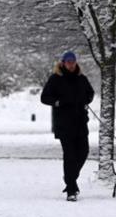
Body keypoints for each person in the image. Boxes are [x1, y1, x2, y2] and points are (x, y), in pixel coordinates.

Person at [40, 51, 94, 202]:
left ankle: (69, 178)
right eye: (68, 61)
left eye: (73, 61)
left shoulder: (81, 78)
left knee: (83, 152)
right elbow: (44, 97)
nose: (71, 64)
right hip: (64, 124)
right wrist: (57, 102)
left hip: (81, 123)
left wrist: (86, 100)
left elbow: (90, 93)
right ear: (63, 63)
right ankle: (71, 189)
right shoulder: (56, 79)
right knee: (70, 156)